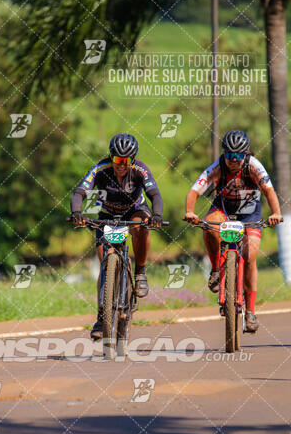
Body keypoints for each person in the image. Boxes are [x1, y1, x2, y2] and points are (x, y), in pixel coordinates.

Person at [184, 129, 283, 333]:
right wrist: (190, 212)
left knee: (249, 256)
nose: (234, 160)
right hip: (223, 211)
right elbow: (194, 190)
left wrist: (276, 213)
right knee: (209, 226)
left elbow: (269, 191)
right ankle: (214, 270)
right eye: (230, 155)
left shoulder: (254, 167)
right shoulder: (217, 167)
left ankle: (250, 311)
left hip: (250, 216)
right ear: (224, 153)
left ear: (246, 153)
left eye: (239, 155)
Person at [71, 133, 163, 340]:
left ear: (133, 160)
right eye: (117, 160)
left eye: (126, 161)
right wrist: (77, 212)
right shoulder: (100, 168)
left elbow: (155, 195)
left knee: (141, 227)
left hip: (135, 211)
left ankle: (140, 272)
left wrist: (156, 215)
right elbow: (79, 192)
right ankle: (101, 317)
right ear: (111, 157)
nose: (121, 165)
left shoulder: (141, 170)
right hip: (107, 216)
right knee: (105, 261)